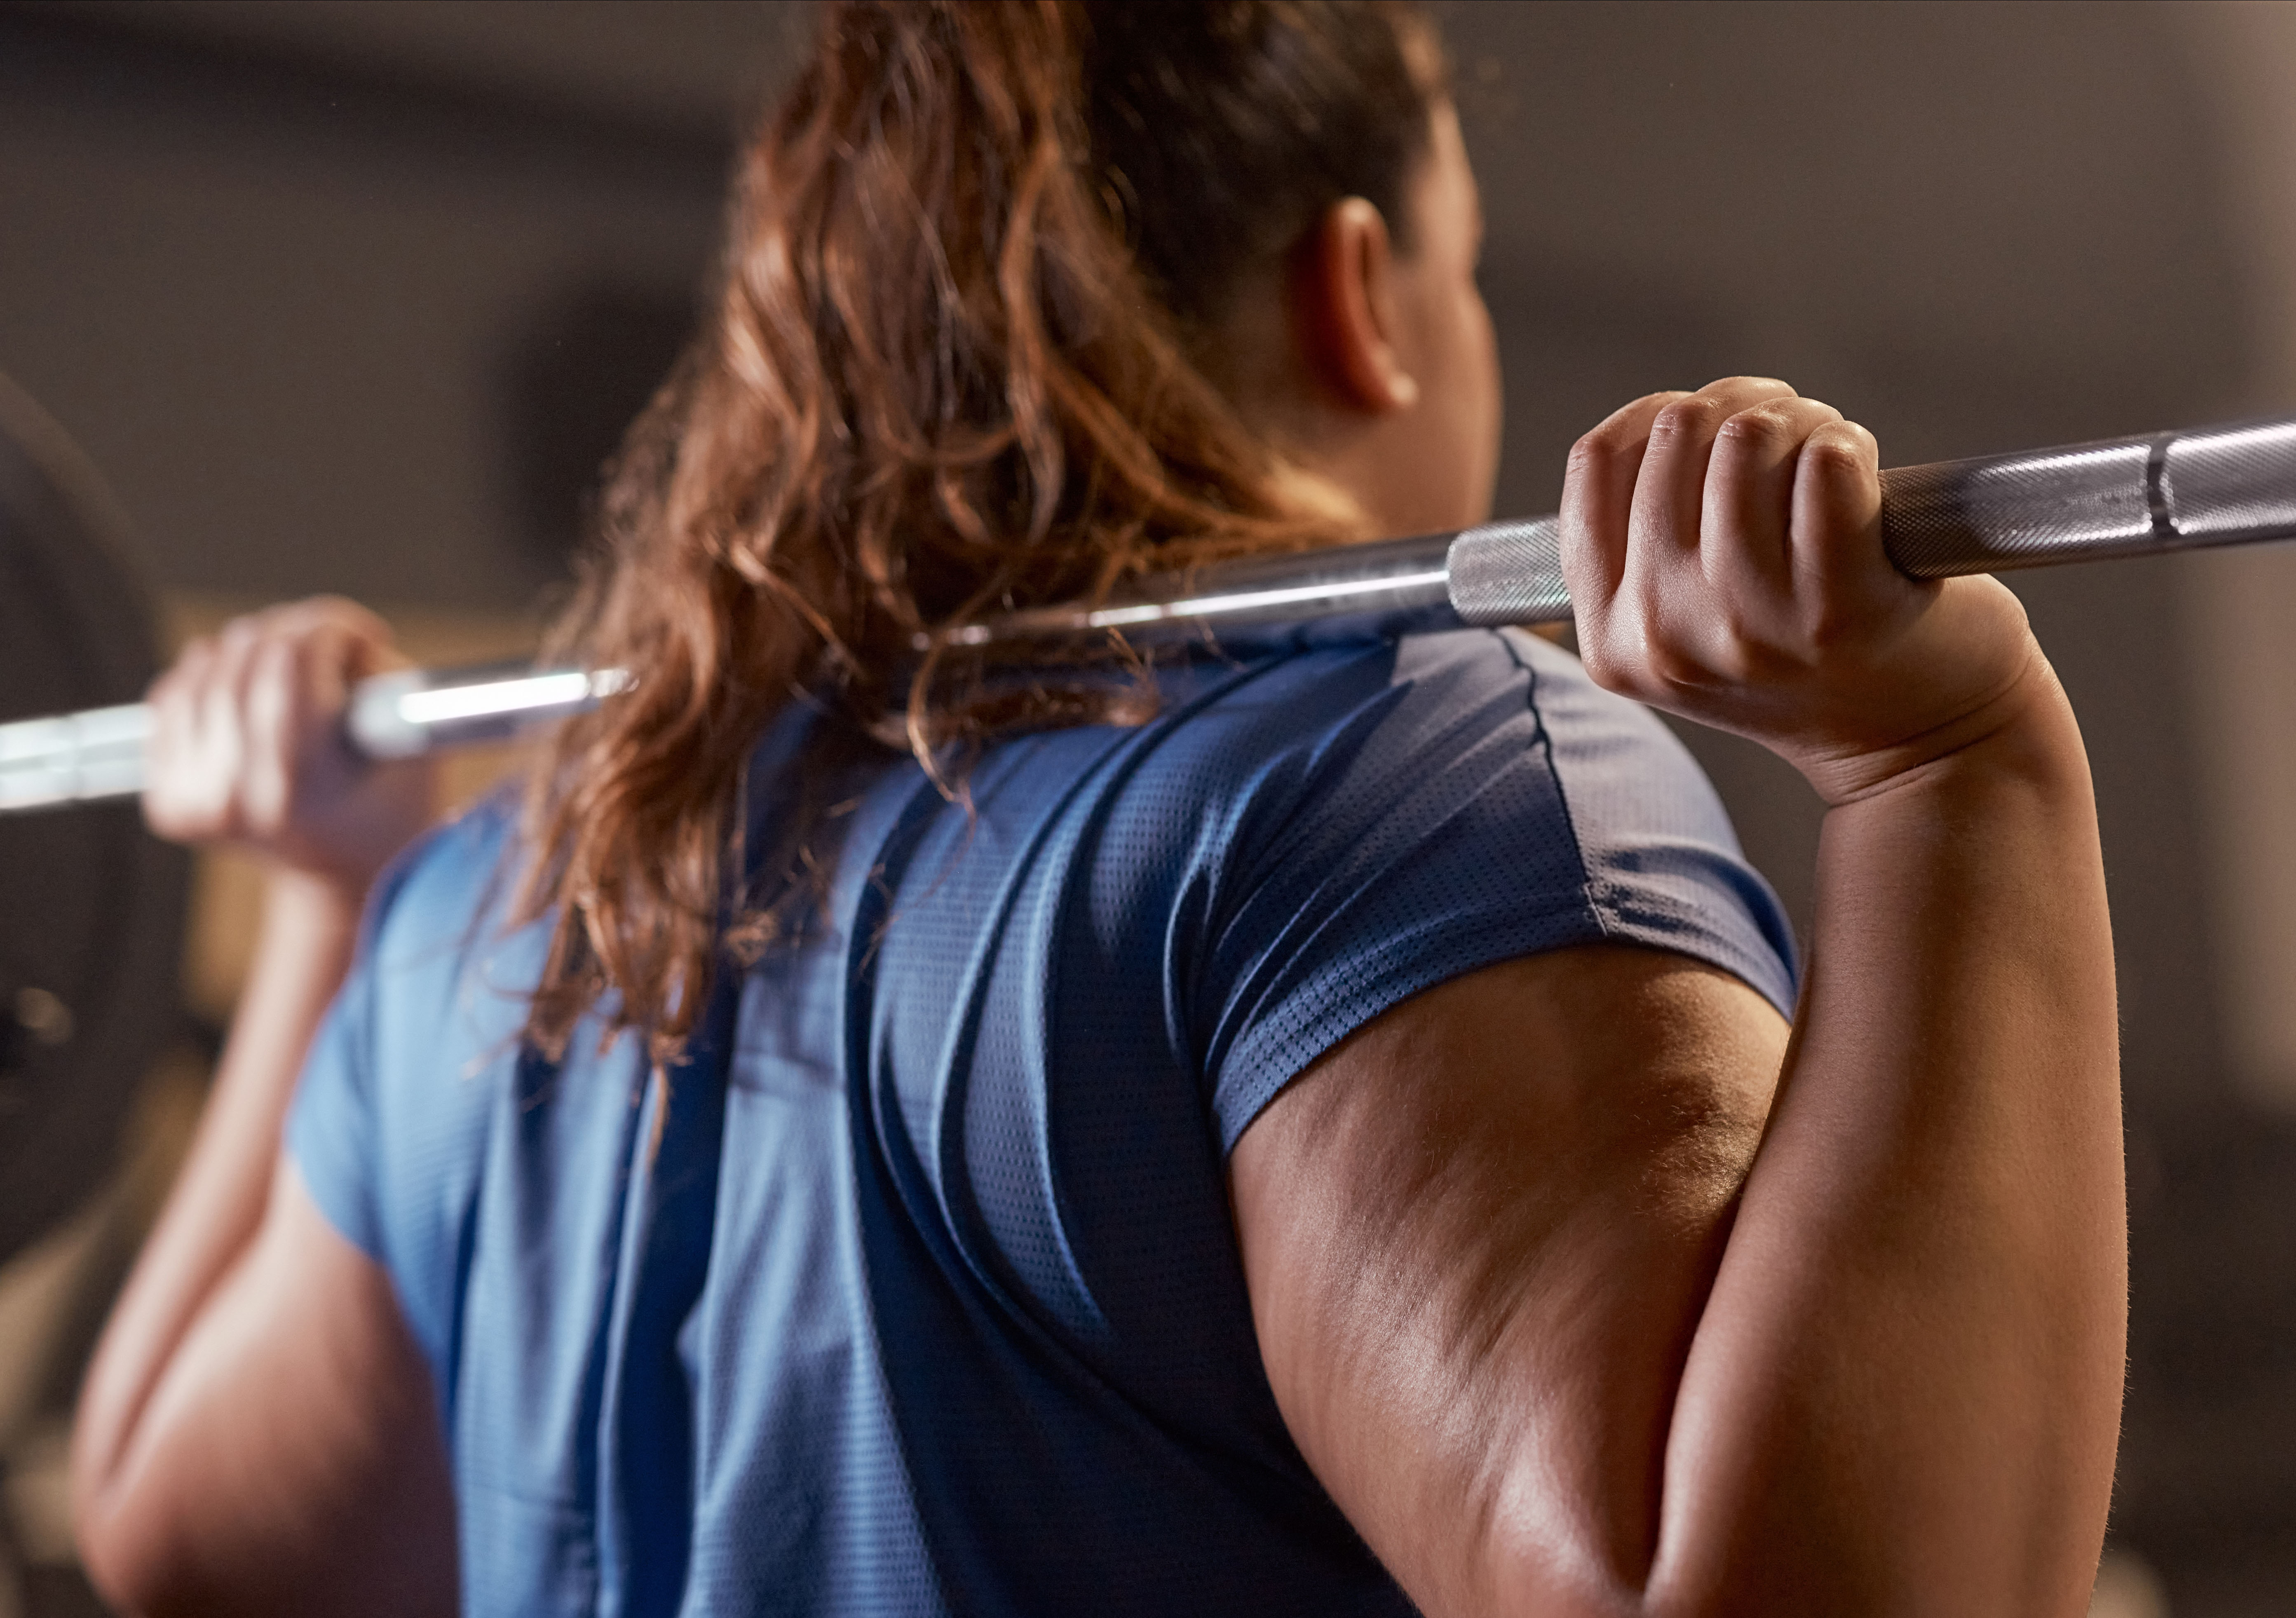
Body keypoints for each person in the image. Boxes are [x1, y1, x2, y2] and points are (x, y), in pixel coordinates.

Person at [68, 3, 2124, 1614]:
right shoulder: (1382, 772)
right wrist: (1955, 774)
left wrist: (323, 914)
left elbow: (179, 1538)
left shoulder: (496, 898)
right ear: (1359, 295)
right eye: (1464, 271)